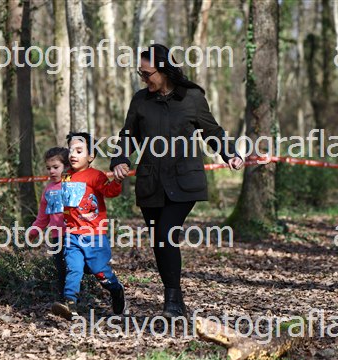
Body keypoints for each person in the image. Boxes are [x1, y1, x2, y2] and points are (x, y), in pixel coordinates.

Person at [110, 44, 244, 319]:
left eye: (147, 73)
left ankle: (172, 299)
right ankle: (175, 300)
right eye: (140, 73)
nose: (144, 79)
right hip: (151, 181)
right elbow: (128, 135)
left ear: (164, 69)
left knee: (165, 233)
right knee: (159, 240)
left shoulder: (192, 97)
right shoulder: (140, 100)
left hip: (184, 181)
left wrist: (229, 153)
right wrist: (120, 159)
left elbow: (212, 131)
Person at [51, 132, 127, 320]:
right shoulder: (66, 176)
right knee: (73, 268)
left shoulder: (95, 176)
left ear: (91, 156)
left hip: (94, 235)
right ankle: (70, 303)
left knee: (99, 271)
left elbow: (110, 192)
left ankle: (116, 289)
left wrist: (117, 181)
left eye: (79, 151)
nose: (73, 155)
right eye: (71, 150)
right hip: (72, 234)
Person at [29, 147, 70, 298]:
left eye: (55, 167)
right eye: (48, 168)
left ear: (66, 166)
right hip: (57, 237)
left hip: (75, 234)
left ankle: (76, 293)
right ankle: (65, 299)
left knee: (76, 265)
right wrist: (34, 231)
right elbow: (43, 217)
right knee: (61, 268)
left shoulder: (73, 184)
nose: (51, 171)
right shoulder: (48, 190)